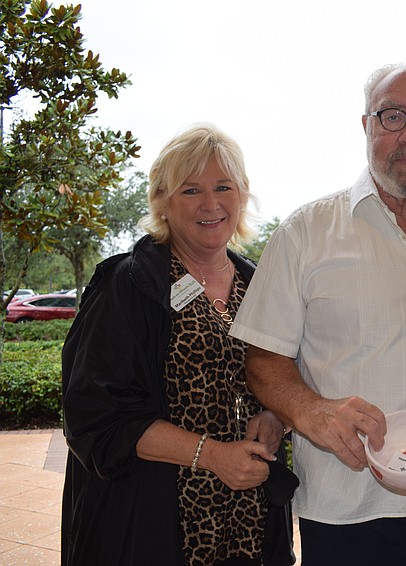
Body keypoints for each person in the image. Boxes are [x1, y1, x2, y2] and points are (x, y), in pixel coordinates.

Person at [230, 59, 406, 566]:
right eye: (392, 116)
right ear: (367, 125)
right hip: (346, 509)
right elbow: (263, 360)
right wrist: (309, 410)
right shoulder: (305, 234)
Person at [61, 123, 296, 566]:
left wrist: (276, 417)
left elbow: (286, 375)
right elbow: (93, 415)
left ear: (242, 195)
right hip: (152, 524)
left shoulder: (260, 284)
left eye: (223, 187)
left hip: (248, 521)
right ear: (162, 202)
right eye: (190, 190)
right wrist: (213, 456)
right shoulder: (128, 284)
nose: (211, 204)